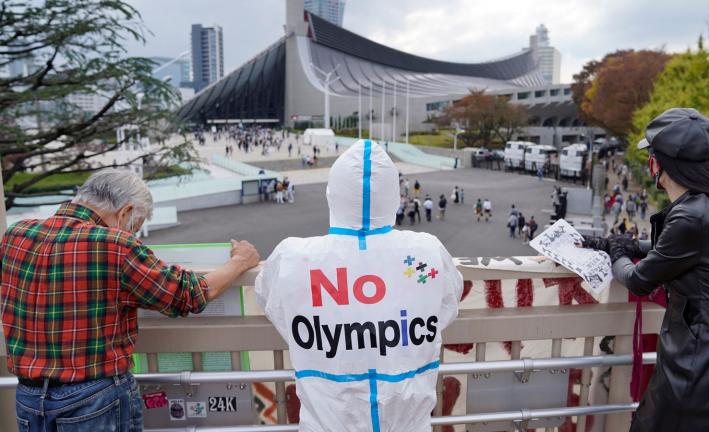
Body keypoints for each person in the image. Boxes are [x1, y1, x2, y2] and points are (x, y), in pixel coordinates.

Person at [1, 169, 261, 432]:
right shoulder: (116, 246)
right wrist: (240, 261)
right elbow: (188, 293)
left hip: (30, 397)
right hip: (94, 399)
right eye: (134, 228)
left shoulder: (16, 235)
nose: (133, 235)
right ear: (125, 212)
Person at [254, 139, 463, 432]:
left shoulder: (293, 256)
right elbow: (447, 306)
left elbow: (269, 301)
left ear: (332, 195)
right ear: (393, 196)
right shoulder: (426, 251)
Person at [583, 108, 709, 432]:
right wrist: (615, 245)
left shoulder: (692, 216)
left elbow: (640, 280)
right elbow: (675, 254)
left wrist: (616, 252)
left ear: (659, 164)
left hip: (691, 369)